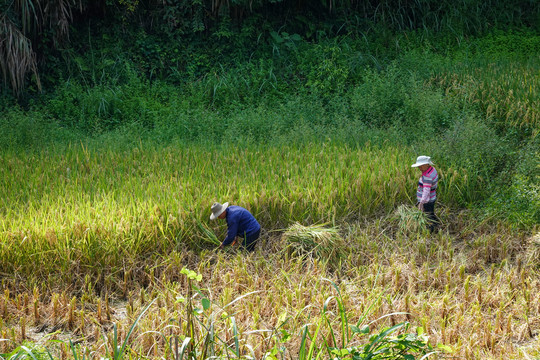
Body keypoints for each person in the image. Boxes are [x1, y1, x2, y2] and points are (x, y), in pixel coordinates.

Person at [412, 155, 440, 232]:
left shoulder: (427, 176)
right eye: (419, 166)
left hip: (427, 200)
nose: (419, 168)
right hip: (432, 197)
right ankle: (437, 224)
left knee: (428, 216)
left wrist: (422, 202)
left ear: (427, 164)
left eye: (421, 166)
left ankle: (432, 231)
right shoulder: (432, 170)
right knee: (431, 213)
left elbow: (426, 191)